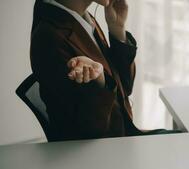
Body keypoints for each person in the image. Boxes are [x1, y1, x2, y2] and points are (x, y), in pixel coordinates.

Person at [31, 0, 179, 142]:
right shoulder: (49, 37)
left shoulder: (85, 19)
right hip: (103, 152)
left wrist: (117, 30)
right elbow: (90, 130)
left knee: (187, 141)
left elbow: (125, 88)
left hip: (123, 135)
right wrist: (100, 82)